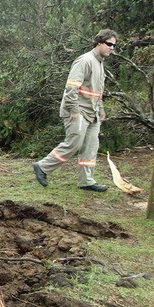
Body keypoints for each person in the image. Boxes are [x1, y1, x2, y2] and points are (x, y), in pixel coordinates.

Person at [33, 29, 118, 192]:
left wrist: (101, 109)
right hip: (78, 111)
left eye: (114, 45)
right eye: (109, 44)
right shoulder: (85, 60)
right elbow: (71, 88)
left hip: (92, 113)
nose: (112, 48)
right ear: (99, 42)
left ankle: (86, 181)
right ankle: (42, 167)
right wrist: (74, 111)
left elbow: (97, 91)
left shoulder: (100, 63)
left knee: (90, 147)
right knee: (74, 144)